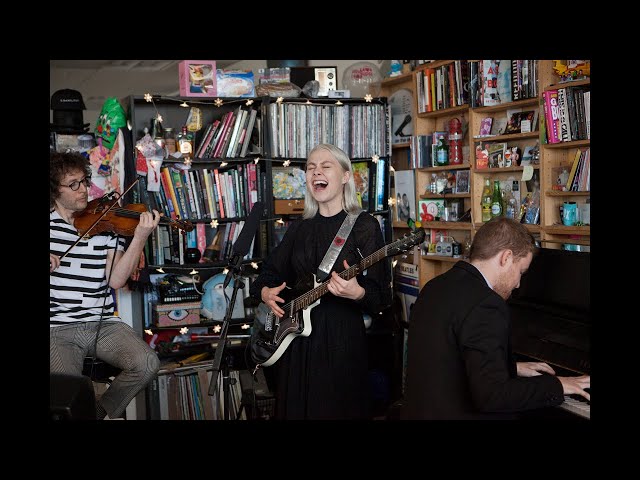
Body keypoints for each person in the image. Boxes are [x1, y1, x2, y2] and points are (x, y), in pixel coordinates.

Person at [250, 144, 392, 419]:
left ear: (346, 176)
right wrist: (266, 292)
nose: (317, 172)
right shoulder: (300, 228)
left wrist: (357, 293)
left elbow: (381, 298)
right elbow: (268, 274)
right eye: (311, 167)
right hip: (295, 343)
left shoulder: (364, 226)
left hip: (341, 344)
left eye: (326, 166)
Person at [404, 217, 590, 420]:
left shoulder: (436, 286)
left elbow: (449, 360)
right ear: (506, 257)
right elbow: (493, 397)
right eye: (521, 272)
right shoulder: (486, 304)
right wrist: (559, 384)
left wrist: (509, 368)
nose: (519, 284)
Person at [50, 151, 161, 419]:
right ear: (54, 190)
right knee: (64, 393)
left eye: (85, 181)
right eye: (73, 184)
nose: (84, 189)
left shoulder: (105, 225)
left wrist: (139, 237)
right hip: (58, 328)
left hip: (103, 325)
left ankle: (97, 412)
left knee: (147, 363)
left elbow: (117, 280)